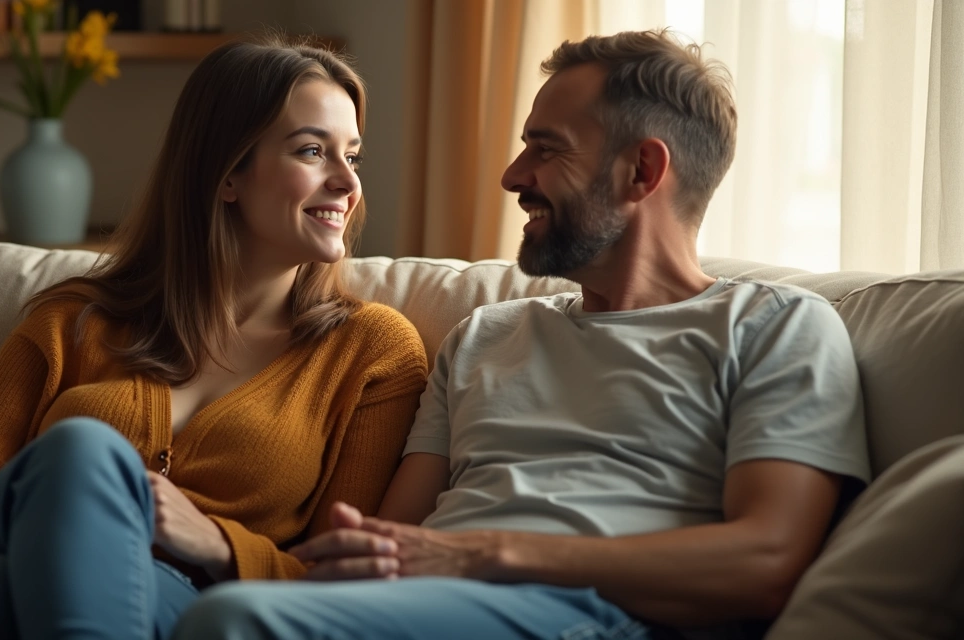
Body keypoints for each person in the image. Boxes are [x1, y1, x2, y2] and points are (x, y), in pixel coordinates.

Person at [170, 29, 870, 640]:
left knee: (236, 622)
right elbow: (391, 543)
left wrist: (483, 554)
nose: (512, 176)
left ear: (642, 170)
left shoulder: (775, 327)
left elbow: (767, 563)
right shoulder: (484, 334)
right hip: (429, 608)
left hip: (605, 615)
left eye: (545, 149)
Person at [0, 37, 428, 639]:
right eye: (312, 151)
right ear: (227, 172)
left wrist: (215, 542)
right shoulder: (74, 320)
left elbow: (341, 577)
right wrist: (64, 522)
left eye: (353, 156)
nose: (347, 182)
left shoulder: (373, 353)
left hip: (181, 609)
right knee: (81, 453)